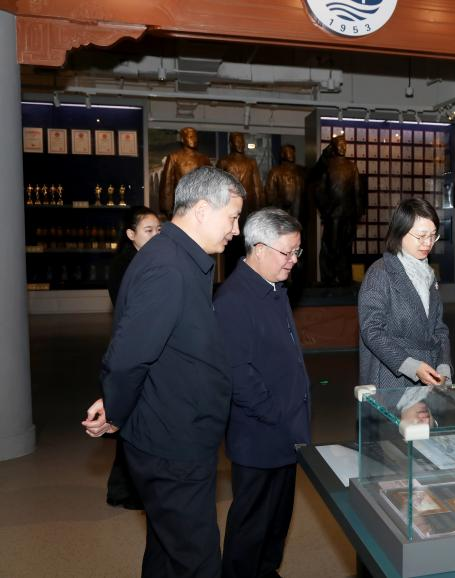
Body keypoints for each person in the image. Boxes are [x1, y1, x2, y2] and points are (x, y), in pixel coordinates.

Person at [81, 166, 245, 578]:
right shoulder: (168, 267)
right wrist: (116, 409)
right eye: (233, 217)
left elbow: (160, 346)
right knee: (197, 560)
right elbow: (128, 356)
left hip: (176, 432)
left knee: (167, 553)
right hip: (173, 444)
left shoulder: (176, 257)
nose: (236, 230)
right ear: (203, 210)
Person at [214, 208, 311, 578]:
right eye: (287, 252)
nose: (293, 260)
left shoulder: (274, 287)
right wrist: (275, 415)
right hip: (259, 433)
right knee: (251, 526)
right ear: (258, 248)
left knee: (277, 520)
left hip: (286, 429)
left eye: (297, 252)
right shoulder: (233, 299)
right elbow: (238, 373)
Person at [358, 198, 451, 388]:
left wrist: (443, 366)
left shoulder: (428, 274)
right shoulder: (380, 273)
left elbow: (439, 328)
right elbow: (372, 330)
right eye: (421, 236)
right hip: (391, 377)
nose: (428, 243)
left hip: (428, 373)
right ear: (400, 232)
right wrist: (411, 366)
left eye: (433, 236)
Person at [104, 205, 161, 510]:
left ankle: (124, 487)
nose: (155, 236)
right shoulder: (128, 266)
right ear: (130, 234)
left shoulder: (141, 260)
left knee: (133, 422)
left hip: (134, 347)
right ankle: (127, 489)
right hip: (132, 350)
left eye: (158, 230)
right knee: (132, 422)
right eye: (148, 230)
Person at [311, 134, 364, 286]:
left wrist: (358, 213)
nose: (342, 147)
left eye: (344, 145)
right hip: (333, 215)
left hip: (349, 214)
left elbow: (357, 191)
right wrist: (325, 210)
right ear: (334, 147)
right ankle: (328, 278)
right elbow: (319, 190)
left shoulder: (352, 166)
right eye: (340, 144)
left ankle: (344, 277)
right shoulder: (327, 165)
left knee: (346, 246)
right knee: (330, 246)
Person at [158, 127, 212, 216]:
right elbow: (167, 183)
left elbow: (210, 183)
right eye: (190, 137)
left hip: (200, 203)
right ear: (183, 139)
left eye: (195, 137)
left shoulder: (204, 159)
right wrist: (167, 208)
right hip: (181, 203)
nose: (194, 140)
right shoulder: (174, 157)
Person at [217, 131, 263, 218]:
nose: (241, 144)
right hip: (230, 201)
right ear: (231, 144)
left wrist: (259, 204)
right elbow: (218, 186)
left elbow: (257, 186)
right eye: (237, 141)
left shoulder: (251, 162)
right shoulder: (223, 162)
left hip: (249, 202)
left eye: (242, 141)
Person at [265, 144, 305, 219]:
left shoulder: (302, 171)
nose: (292, 154)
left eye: (293, 152)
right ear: (282, 154)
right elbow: (269, 196)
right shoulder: (275, 172)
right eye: (289, 151)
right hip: (283, 214)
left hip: (301, 214)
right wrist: (281, 203)